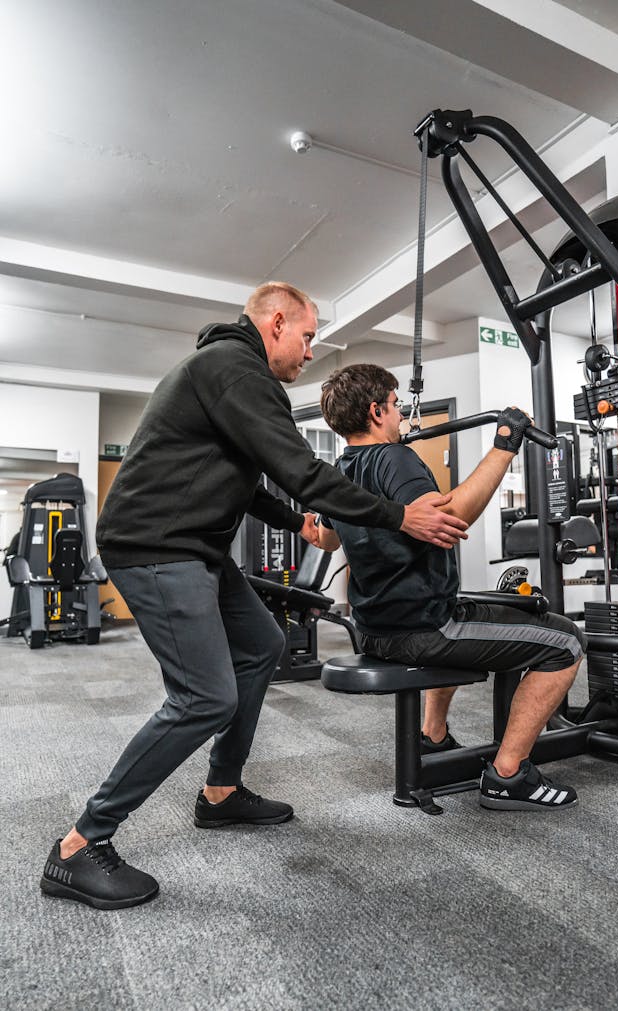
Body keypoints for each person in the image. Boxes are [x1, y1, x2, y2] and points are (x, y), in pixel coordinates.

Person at [40, 284, 468, 911]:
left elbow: (248, 476)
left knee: (262, 646)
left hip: (197, 545)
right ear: (275, 322)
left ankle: (220, 793)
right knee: (204, 696)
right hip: (156, 545)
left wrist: (299, 524)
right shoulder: (233, 370)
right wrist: (399, 517)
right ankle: (79, 845)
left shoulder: (225, 373)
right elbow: (301, 471)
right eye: (307, 336)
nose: (309, 350)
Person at [317, 363, 586, 812]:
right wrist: (504, 446)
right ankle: (507, 775)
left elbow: (326, 536)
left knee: (469, 605)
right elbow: (450, 519)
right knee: (564, 641)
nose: (401, 413)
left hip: (374, 626)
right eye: (396, 404)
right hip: (424, 629)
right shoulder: (393, 458)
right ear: (375, 411)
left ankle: (434, 737)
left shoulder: (338, 470)